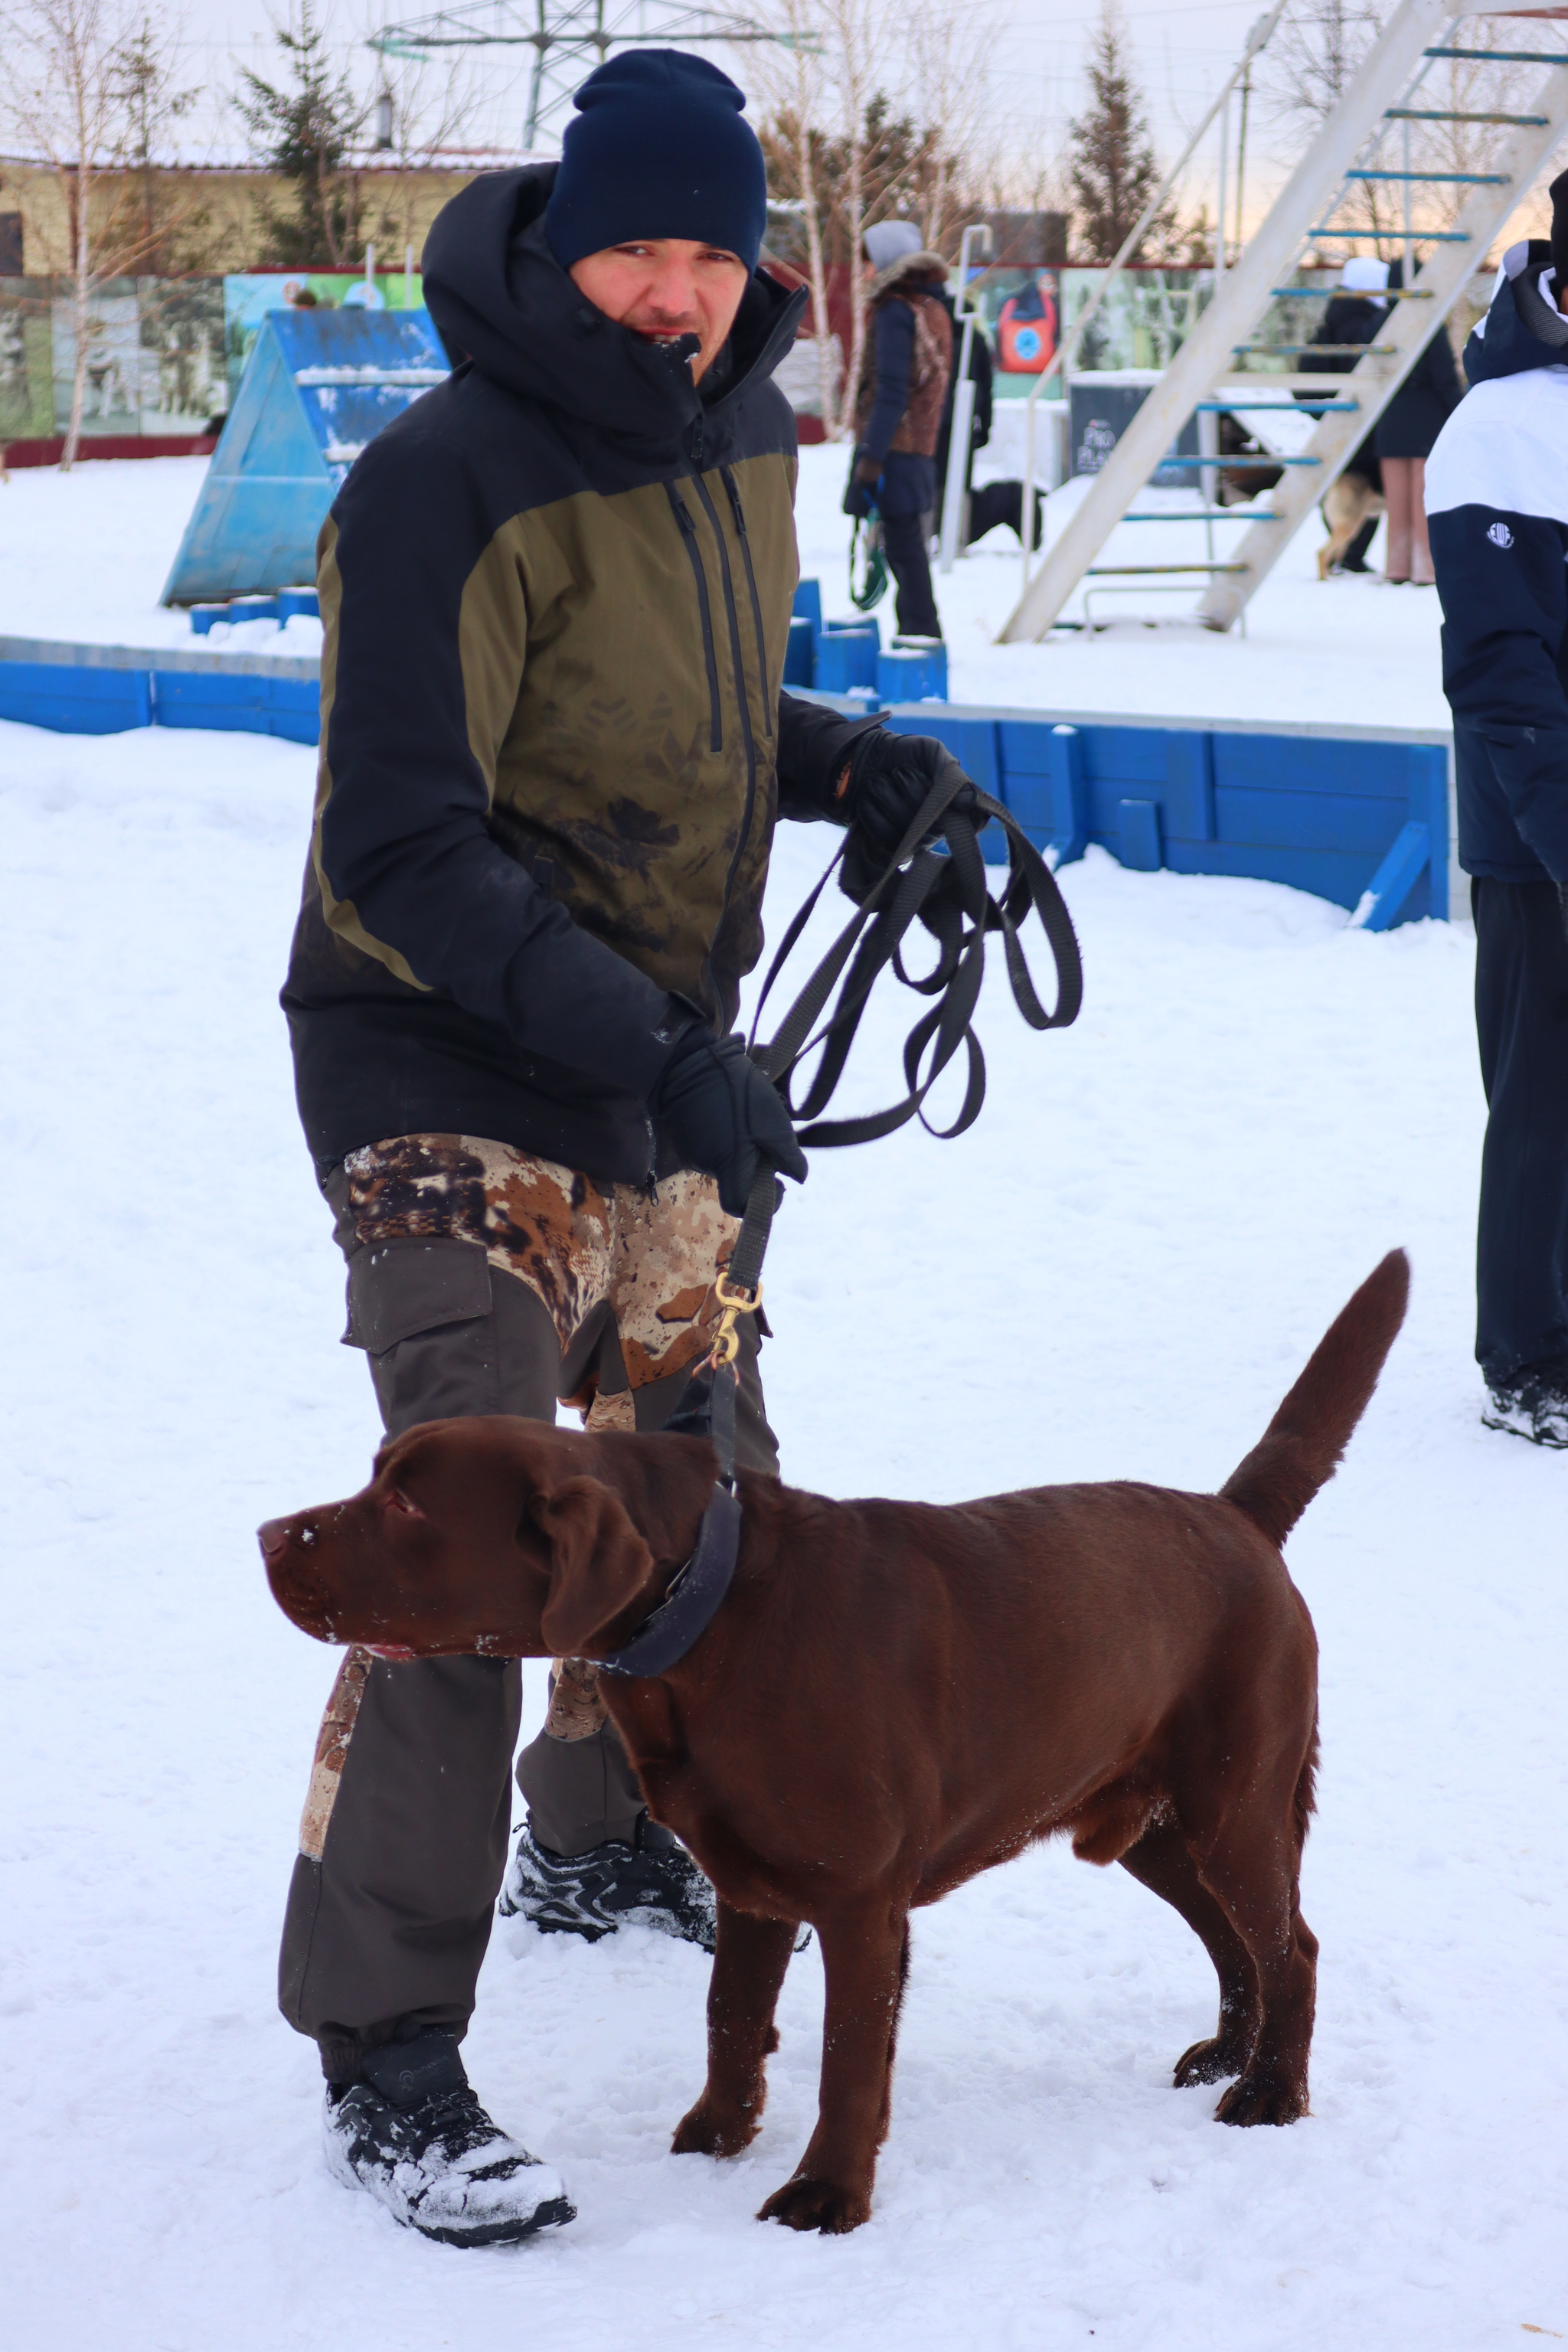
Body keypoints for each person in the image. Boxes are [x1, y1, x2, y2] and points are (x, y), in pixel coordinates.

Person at [275, 46, 985, 2246]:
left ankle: (605, 1835)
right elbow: (407, 831)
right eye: (634, 249)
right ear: (560, 240)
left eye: (707, 251)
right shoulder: (439, 481)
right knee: (469, 1518)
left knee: (703, 1483)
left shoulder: (742, 435)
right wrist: (657, 1049)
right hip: (435, 1080)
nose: (673, 292)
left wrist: (852, 765)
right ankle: (388, 2041)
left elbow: (683, 714)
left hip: (651, 1079)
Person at [1426, 171, 1568, 1446]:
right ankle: (1528, 1357)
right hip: (1537, 836)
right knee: (1543, 1092)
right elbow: (1498, 668)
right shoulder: (1504, 424)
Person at [843, 219, 953, 637]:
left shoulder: (895, 312)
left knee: (906, 555)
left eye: (869, 264)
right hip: (918, 450)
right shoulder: (932, 308)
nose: (866, 274)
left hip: (894, 450)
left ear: (889, 262)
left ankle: (921, 637)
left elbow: (891, 390)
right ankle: (919, 635)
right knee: (908, 554)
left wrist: (870, 457)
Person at [1375, 257, 1462, 583]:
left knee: (1396, 503)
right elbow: (1445, 378)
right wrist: (1461, 410)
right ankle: (1425, 569)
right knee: (1424, 500)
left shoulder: (1377, 323)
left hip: (1390, 420)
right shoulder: (1428, 323)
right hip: (1427, 420)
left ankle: (1396, 567)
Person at [1302, 255, 1389, 574]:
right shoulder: (1365, 322)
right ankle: (1349, 556)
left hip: (1331, 418)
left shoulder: (1331, 319)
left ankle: (1341, 554)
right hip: (1362, 420)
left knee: (1342, 487)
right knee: (1364, 491)